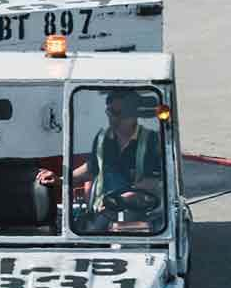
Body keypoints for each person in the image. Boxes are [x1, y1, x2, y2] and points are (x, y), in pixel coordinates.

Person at [68, 89, 164, 231]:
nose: (113, 119)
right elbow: (91, 169)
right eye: (110, 112)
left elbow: (151, 181)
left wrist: (121, 199)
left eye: (118, 114)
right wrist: (62, 179)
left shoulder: (151, 140)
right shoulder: (102, 139)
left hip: (141, 209)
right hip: (105, 208)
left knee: (132, 234)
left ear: (133, 115)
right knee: (89, 233)